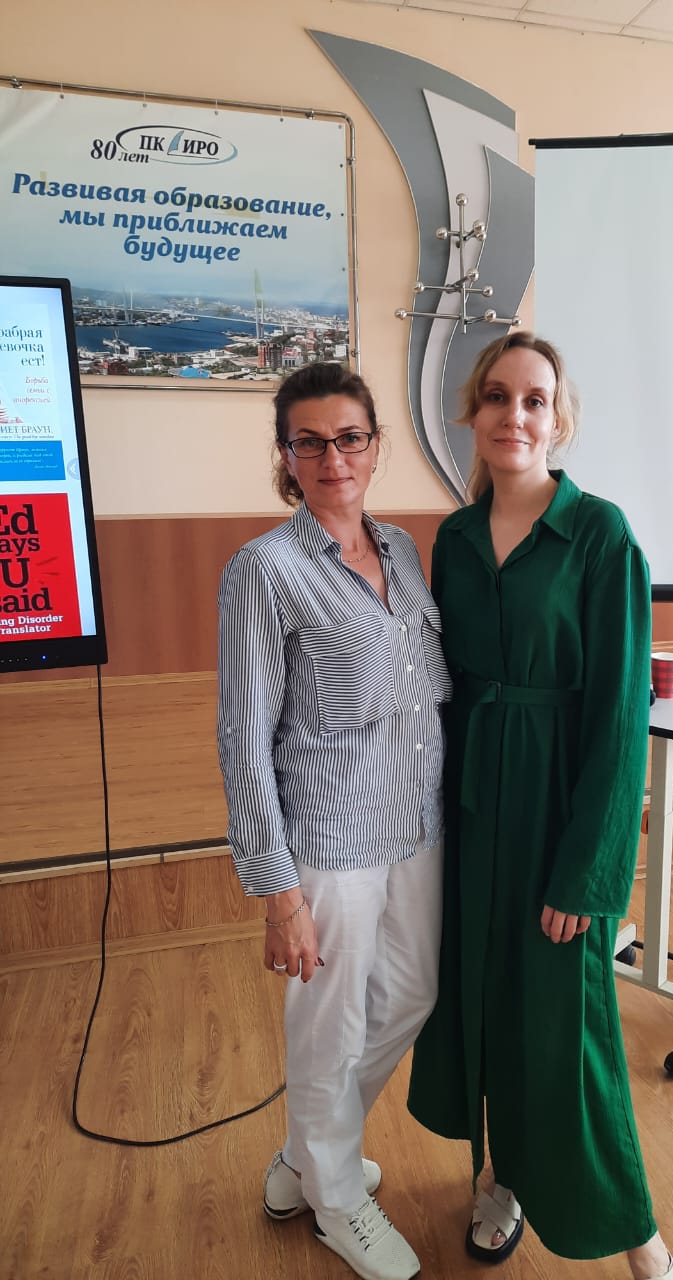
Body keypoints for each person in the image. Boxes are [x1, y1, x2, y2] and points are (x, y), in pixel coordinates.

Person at [407, 333, 673, 1280]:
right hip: (470, 811)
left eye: (534, 400)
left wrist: (587, 870)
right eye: (496, 396)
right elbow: (441, 689)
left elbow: (618, 717)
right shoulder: (453, 538)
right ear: (472, 412)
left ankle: (642, 1241)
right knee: (484, 1003)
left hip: (557, 814)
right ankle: (502, 1177)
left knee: (569, 1030)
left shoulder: (601, 535)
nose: (513, 416)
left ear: (558, 418)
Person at [217, 361, 450, 1280]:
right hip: (329, 836)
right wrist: (280, 895)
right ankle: (338, 1201)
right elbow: (243, 738)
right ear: (286, 456)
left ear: (376, 445)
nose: (332, 457)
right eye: (309, 442)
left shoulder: (403, 550)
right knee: (330, 1024)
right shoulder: (264, 571)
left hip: (416, 821)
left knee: (412, 994)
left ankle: (306, 1159)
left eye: (349, 437)